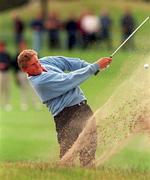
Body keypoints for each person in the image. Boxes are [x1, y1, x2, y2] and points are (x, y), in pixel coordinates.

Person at [17, 49, 112, 167]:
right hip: (65, 115)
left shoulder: (44, 62)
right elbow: (69, 80)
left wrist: (91, 67)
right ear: (25, 69)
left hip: (82, 107)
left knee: (90, 144)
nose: (38, 65)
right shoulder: (40, 82)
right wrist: (94, 67)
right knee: (68, 153)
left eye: (37, 61)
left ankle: (88, 171)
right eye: (33, 64)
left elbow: (67, 62)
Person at [0, 41, 12, 111]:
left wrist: (5, 65)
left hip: (6, 73)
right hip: (0, 73)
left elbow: (9, 63)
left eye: (2, 46)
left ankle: (7, 103)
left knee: (7, 89)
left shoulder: (7, 54)